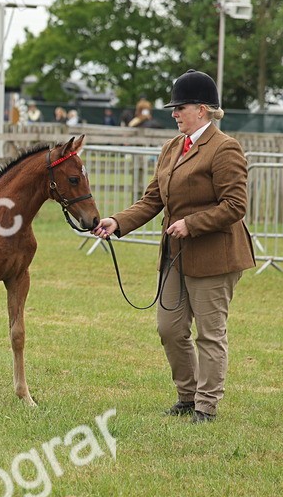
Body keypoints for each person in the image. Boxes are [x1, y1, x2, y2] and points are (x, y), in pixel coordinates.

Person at [92, 69, 254, 424]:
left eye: (180, 107)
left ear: (203, 109)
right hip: (175, 256)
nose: (174, 113)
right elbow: (152, 200)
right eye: (174, 107)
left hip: (215, 256)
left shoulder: (225, 148)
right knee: (169, 328)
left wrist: (192, 224)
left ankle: (206, 405)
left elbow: (235, 205)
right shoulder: (170, 148)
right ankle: (186, 395)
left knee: (210, 334)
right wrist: (118, 222)